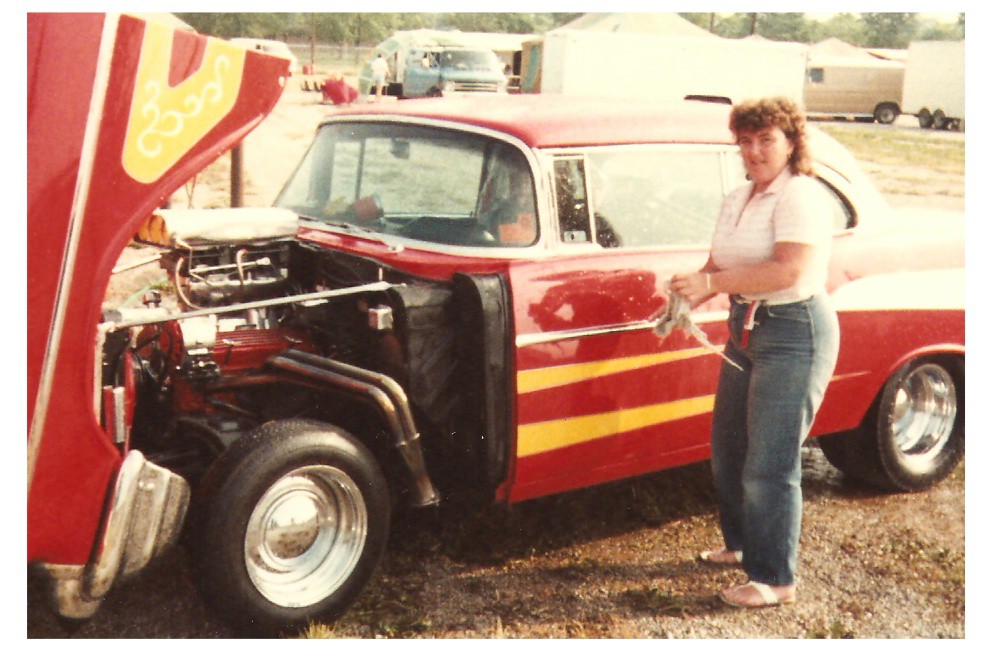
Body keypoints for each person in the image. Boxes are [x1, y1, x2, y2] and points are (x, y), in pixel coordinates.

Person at [670, 97, 840, 608]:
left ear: (791, 143)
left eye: (767, 139)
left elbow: (788, 270)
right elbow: (720, 262)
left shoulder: (801, 195)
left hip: (794, 330)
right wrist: (689, 288)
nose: (754, 150)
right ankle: (742, 544)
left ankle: (774, 579)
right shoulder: (738, 196)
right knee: (729, 448)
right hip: (744, 327)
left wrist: (711, 283)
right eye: (745, 140)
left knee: (770, 461)